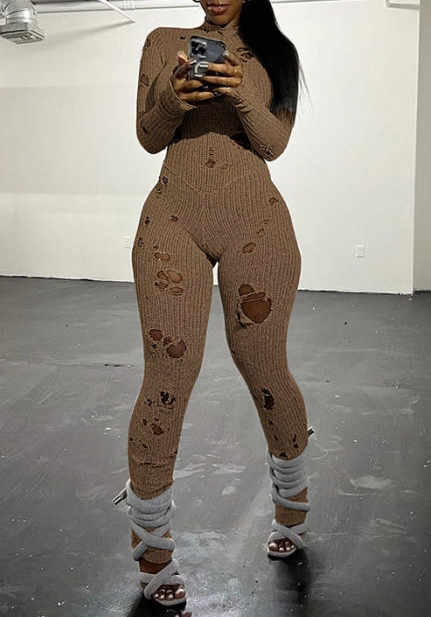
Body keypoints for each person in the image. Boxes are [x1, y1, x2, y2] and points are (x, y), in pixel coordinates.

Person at [115, 0, 310, 608]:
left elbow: (274, 145)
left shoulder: (277, 52)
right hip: (173, 218)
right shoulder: (164, 40)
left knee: (265, 368)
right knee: (167, 376)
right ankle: (151, 544)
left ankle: (292, 505)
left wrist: (243, 90)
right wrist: (173, 97)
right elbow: (149, 138)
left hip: (257, 223)